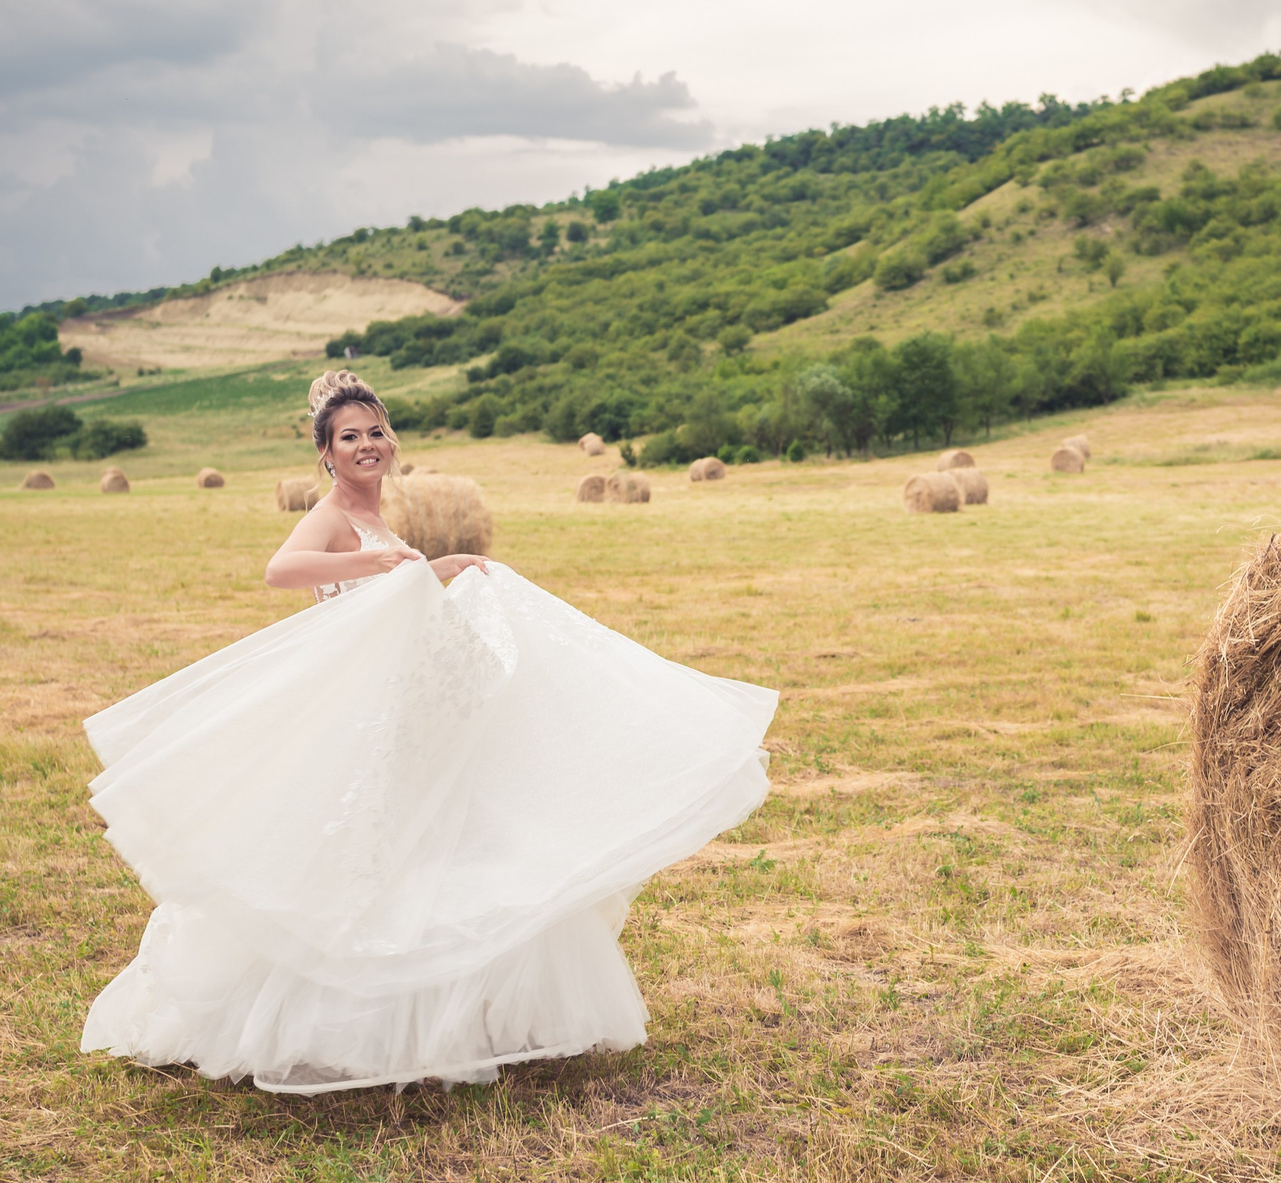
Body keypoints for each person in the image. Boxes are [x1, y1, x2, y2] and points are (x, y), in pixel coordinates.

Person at [79, 369, 778, 1093]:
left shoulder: (380, 519)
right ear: (325, 453)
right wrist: (374, 559)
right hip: (364, 719)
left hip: (402, 714)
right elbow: (282, 570)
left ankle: (466, 1016)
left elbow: (389, 595)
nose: (367, 445)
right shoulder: (333, 515)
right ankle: (348, 1023)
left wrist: (440, 567)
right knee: (372, 863)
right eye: (349, 437)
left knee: (444, 845)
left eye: (376, 431)